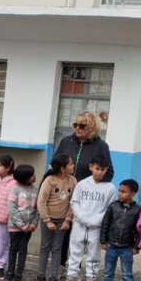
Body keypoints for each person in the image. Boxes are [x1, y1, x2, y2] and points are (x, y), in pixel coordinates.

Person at [53, 110, 114, 268]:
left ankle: (77, 267)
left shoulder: (101, 146)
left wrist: (91, 187)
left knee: (80, 234)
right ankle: (60, 265)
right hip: (64, 193)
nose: (77, 128)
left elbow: (108, 173)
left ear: (92, 128)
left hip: (86, 198)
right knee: (64, 229)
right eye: (75, 125)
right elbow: (55, 164)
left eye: (82, 125)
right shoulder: (66, 141)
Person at [60, 152, 115, 281]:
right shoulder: (82, 184)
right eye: (97, 168)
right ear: (91, 167)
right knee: (74, 252)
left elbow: (109, 209)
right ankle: (70, 278)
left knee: (93, 254)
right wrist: (81, 216)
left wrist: (97, 220)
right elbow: (74, 202)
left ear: (106, 169)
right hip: (80, 224)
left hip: (96, 227)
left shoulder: (110, 188)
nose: (99, 172)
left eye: (102, 169)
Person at [34, 154, 76, 281]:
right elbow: (41, 201)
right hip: (48, 219)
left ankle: (54, 278)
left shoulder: (73, 181)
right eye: (70, 164)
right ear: (63, 168)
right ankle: (41, 276)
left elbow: (73, 202)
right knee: (45, 247)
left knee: (57, 248)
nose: (73, 166)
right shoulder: (49, 180)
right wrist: (47, 220)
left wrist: (67, 220)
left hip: (62, 221)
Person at [98, 179, 141, 281]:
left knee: (127, 273)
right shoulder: (113, 207)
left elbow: (140, 230)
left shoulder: (137, 210)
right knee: (108, 270)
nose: (120, 194)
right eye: (119, 191)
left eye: (123, 192)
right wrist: (103, 240)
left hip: (127, 248)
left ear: (132, 194)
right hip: (111, 245)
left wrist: (136, 246)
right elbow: (105, 224)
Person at [5, 164, 39, 281]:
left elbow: (37, 210)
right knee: (13, 248)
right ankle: (10, 272)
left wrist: (33, 224)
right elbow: (11, 209)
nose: (34, 177)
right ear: (25, 177)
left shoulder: (35, 190)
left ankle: (18, 274)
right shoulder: (15, 189)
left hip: (28, 229)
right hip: (15, 227)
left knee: (23, 250)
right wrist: (22, 225)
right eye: (31, 175)